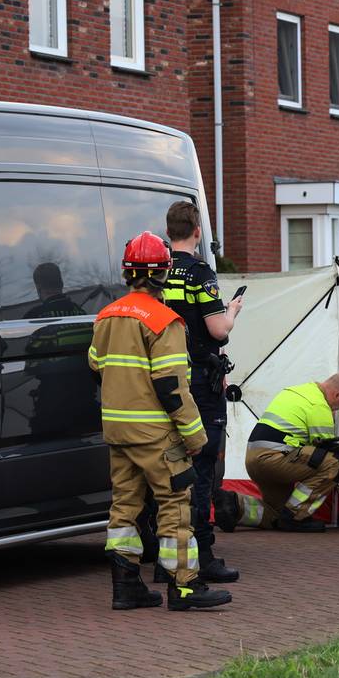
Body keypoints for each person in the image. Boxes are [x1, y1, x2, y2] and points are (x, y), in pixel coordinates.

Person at [89, 231, 232, 611]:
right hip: (155, 433)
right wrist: (195, 434)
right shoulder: (164, 320)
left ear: (128, 273)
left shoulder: (106, 316)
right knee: (175, 503)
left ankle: (126, 586)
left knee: (124, 507)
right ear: (163, 273)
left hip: (117, 431)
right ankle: (184, 587)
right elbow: (172, 386)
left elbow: (95, 365)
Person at [157, 200, 244, 583]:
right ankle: (202, 554)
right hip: (201, 387)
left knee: (169, 468)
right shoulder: (199, 273)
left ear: (168, 231)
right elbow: (217, 330)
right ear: (196, 231)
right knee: (203, 467)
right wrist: (233, 310)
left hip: (165, 381)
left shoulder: (159, 273)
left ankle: (166, 558)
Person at [213, 374, 339, 532]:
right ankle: (296, 516)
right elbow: (329, 452)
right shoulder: (319, 406)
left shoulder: (296, 391)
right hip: (275, 460)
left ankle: (235, 505)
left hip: (254, 460)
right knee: (335, 463)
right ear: (338, 395)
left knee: (278, 515)